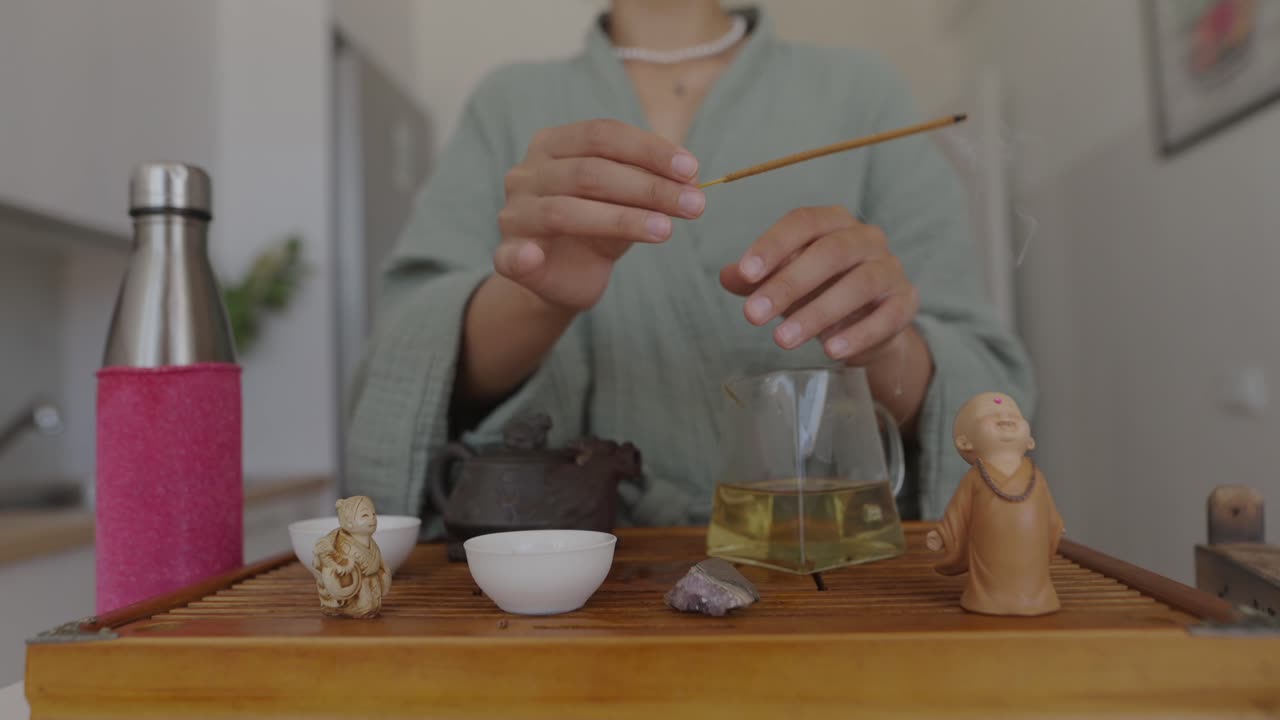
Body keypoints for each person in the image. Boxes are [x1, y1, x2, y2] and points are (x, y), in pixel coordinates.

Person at [343, 1, 1035, 538]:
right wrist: (535, 296)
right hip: (567, 581)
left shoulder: (861, 91)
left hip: (820, 571)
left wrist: (881, 342)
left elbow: (987, 394)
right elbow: (406, 368)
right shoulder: (509, 104)